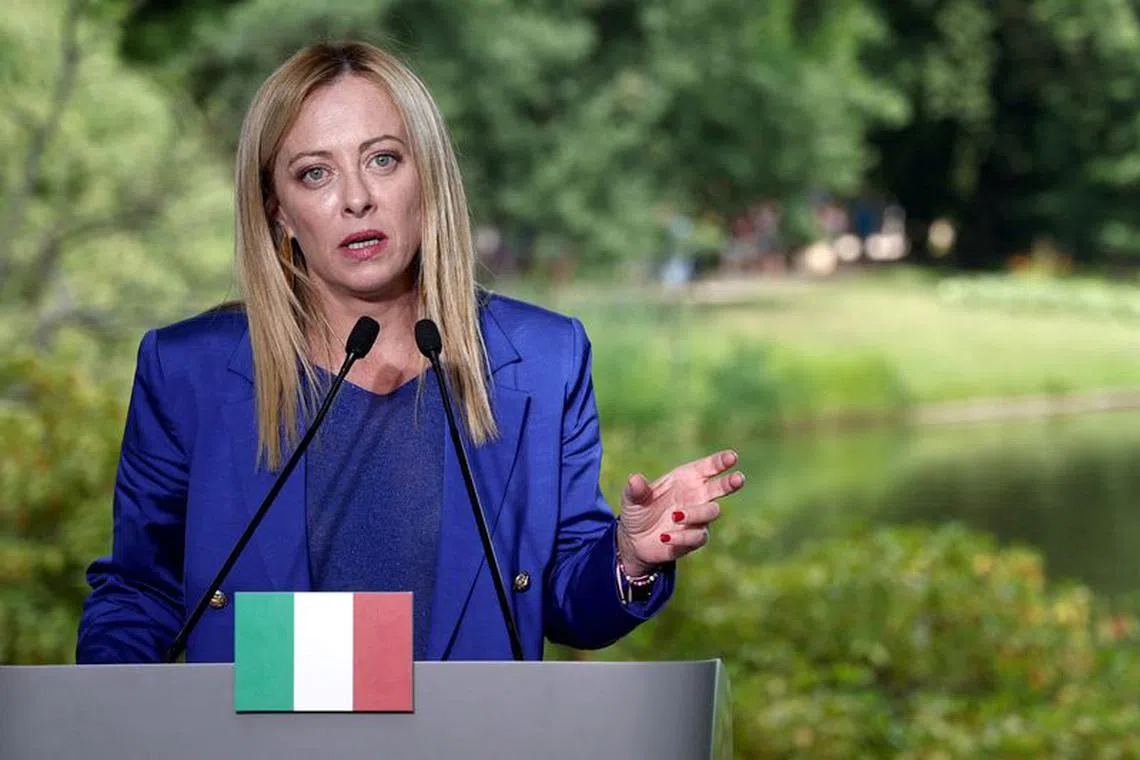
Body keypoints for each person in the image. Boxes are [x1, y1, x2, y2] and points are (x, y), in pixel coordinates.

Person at [76, 41, 745, 663]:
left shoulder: (545, 358)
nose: (357, 198)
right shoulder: (186, 370)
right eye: (315, 174)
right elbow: (142, 593)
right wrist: (109, 720)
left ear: (428, 176)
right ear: (277, 210)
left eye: (384, 159)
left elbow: (566, 602)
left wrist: (628, 558)